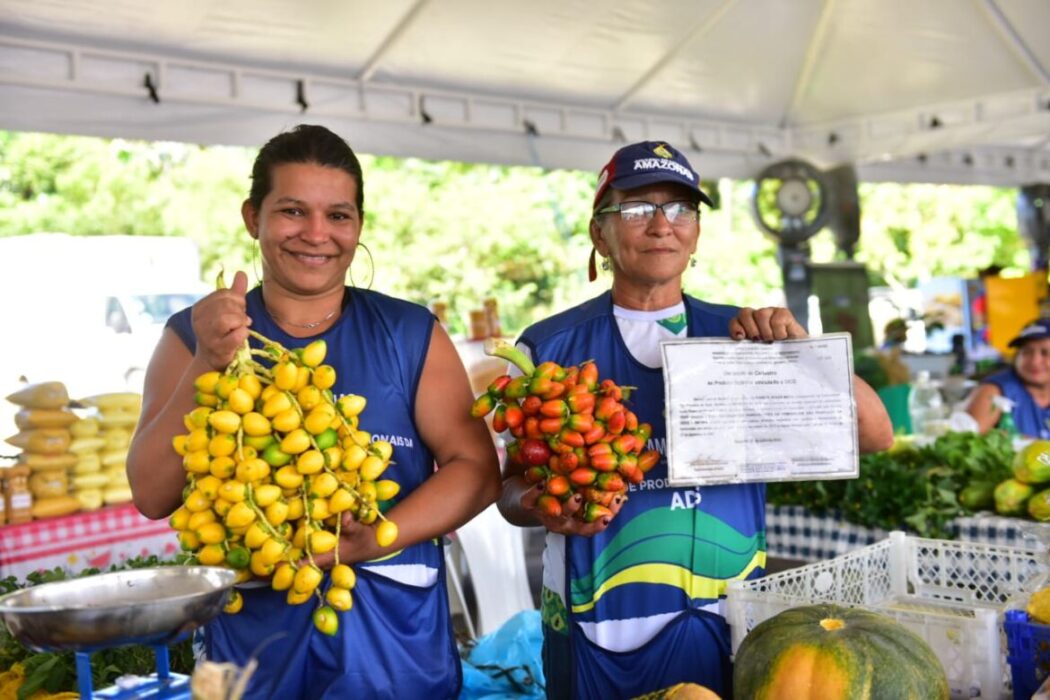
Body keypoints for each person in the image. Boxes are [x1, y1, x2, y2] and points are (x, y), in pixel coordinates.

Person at [497, 141, 894, 699]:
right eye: (637, 209)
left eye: (682, 209)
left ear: (697, 233)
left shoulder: (744, 335)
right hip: (597, 624)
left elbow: (877, 434)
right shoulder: (550, 345)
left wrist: (801, 348)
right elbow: (510, 491)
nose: (663, 225)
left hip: (728, 622)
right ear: (599, 233)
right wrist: (544, 507)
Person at [126, 124, 501, 699]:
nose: (317, 234)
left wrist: (370, 540)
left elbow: (475, 471)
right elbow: (152, 494)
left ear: (359, 226)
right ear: (254, 217)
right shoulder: (192, 335)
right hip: (251, 649)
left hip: (392, 644)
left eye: (339, 216)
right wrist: (208, 359)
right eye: (293, 211)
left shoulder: (408, 333)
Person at [966, 318, 1050, 438]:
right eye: (1026, 352)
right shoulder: (994, 391)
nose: (1035, 362)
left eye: (1046, 353)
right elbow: (967, 441)